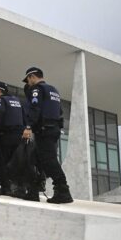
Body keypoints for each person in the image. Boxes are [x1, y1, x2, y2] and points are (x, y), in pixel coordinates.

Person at [22, 67, 73, 204]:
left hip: (44, 130)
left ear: (32, 76)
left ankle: (63, 191)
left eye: (28, 79)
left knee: (49, 161)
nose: (28, 82)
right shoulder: (53, 90)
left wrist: (28, 126)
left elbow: (35, 108)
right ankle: (33, 191)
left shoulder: (37, 90)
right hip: (53, 129)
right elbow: (60, 111)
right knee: (35, 159)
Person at [0, 81, 25, 195]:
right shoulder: (17, 101)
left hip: (4, 136)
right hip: (18, 136)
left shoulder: (0, 101)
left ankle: (6, 187)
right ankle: (19, 187)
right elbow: (24, 117)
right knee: (15, 162)